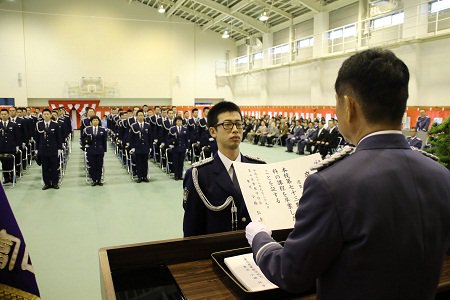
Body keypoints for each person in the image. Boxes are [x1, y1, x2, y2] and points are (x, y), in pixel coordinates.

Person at [245, 48, 450, 299]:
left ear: (349, 105)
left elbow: (292, 273)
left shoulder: (331, 184)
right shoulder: (441, 176)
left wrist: (260, 239)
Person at [183, 101, 265, 237]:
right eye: (227, 125)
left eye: (239, 124)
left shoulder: (258, 168)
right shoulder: (198, 175)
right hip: (218, 254)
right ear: (213, 131)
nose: (235, 130)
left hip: (255, 252)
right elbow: (192, 229)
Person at [36, 108, 63, 190]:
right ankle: (47, 183)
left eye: (48, 114)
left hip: (53, 149)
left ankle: (55, 183)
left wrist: (59, 148)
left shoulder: (55, 124)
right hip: (43, 149)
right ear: (42, 115)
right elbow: (37, 138)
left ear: (51, 115)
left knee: (54, 167)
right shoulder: (39, 125)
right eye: (44, 114)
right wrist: (37, 149)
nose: (46, 115)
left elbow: (59, 137)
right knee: (45, 167)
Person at [128, 110, 152, 183]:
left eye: (142, 115)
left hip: (145, 147)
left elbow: (150, 137)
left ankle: (144, 176)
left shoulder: (148, 125)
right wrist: (132, 147)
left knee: (145, 162)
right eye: (139, 115)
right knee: (138, 163)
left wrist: (150, 146)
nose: (141, 117)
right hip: (137, 147)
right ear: (137, 116)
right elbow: (131, 138)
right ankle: (139, 177)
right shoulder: (133, 126)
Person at [84, 116, 107, 186]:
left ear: (99, 121)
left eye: (97, 120)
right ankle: (94, 180)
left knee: (99, 165)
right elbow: (83, 139)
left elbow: (104, 141)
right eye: (94, 120)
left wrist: (104, 150)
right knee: (92, 165)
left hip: (100, 150)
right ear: (91, 122)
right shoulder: (87, 130)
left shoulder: (102, 130)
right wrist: (85, 146)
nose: (95, 121)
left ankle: (99, 180)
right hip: (91, 150)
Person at [0, 109, 21, 184]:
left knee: (12, 163)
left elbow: (17, 136)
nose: (3, 115)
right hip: (1, 147)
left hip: (11, 147)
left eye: (5, 114)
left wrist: (17, 145)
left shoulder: (13, 124)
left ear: (8, 115)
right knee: (4, 163)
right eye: (2, 114)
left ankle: (13, 177)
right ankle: (6, 178)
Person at [168, 116, 189, 180]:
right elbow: (169, 138)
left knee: (181, 162)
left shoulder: (185, 129)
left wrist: (187, 147)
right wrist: (171, 143)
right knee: (176, 162)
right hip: (175, 148)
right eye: (178, 121)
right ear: (176, 122)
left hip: (182, 148)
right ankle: (176, 175)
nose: (179, 122)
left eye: (180, 121)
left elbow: (187, 139)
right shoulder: (172, 129)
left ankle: (180, 175)